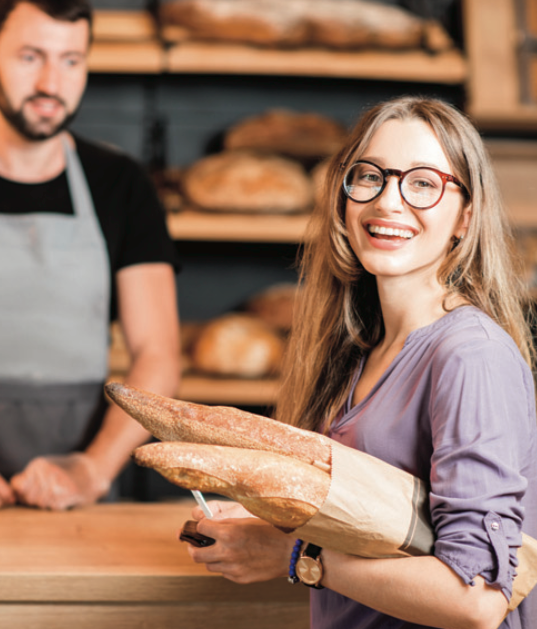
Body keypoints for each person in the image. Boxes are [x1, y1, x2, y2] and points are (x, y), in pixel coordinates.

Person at [185, 96, 537, 629]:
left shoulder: (470, 356)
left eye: (422, 183)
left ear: (466, 215)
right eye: (369, 176)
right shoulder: (360, 349)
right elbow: (391, 524)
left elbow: (477, 599)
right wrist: (280, 526)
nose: (388, 202)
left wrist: (297, 558)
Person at [0, 0, 181, 510]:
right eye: (31, 57)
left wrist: (92, 468)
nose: (51, 83)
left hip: (79, 497)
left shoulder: (119, 184)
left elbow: (158, 355)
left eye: (71, 60)